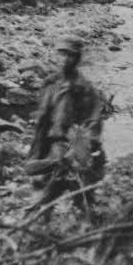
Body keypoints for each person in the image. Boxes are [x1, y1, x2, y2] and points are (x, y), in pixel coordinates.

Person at [28, 37, 106, 210]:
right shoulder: (50, 83)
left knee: (77, 194)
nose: (64, 59)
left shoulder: (84, 88)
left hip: (68, 147)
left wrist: (77, 150)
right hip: (45, 142)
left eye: (69, 55)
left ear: (77, 59)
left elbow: (93, 124)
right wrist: (36, 148)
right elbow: (42, 118)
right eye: (61, 54)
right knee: (39, 183)